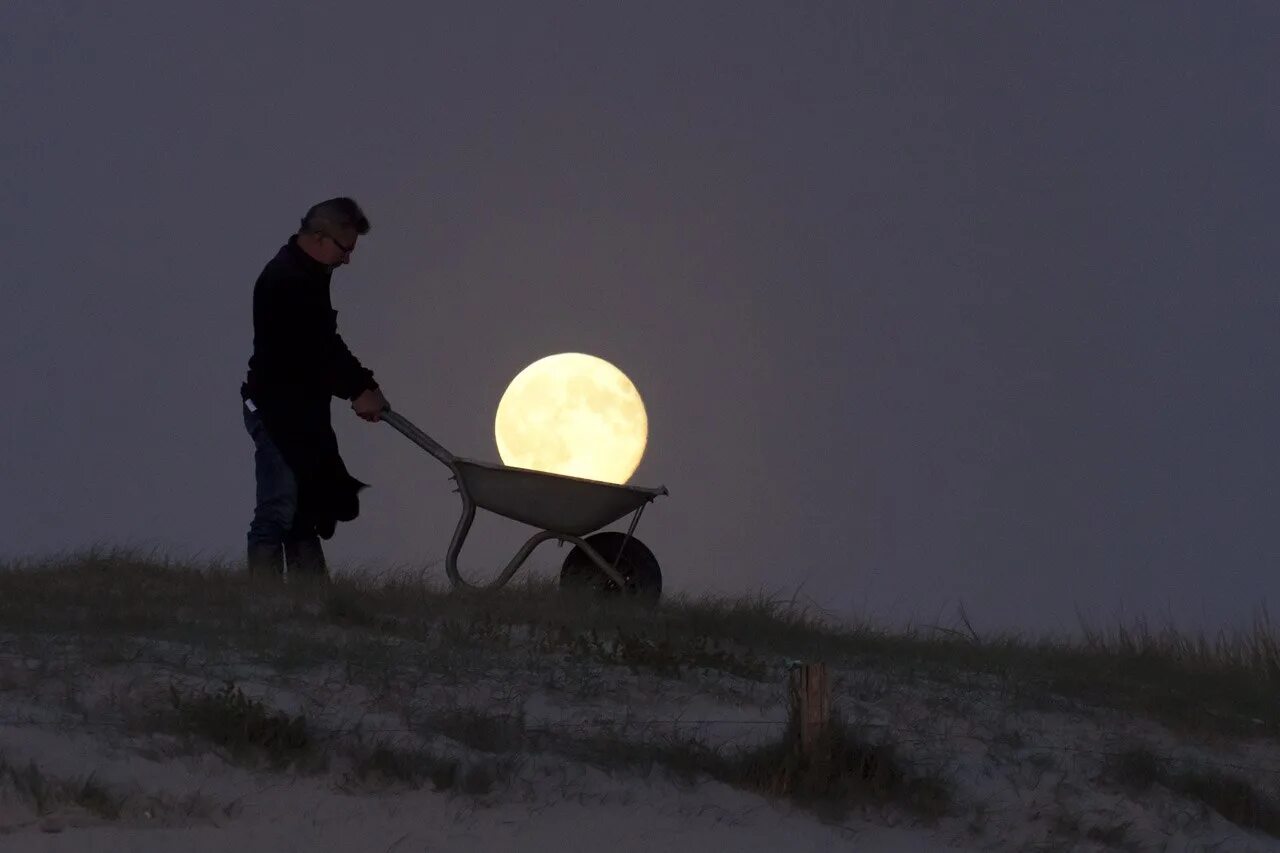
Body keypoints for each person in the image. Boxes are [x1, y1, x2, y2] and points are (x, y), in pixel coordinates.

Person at [240, 197, 389, 578]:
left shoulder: (309, 275)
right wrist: (359, 389)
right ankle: (263, 606)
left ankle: (312, 605)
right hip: (274, 411)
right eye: (346, 249)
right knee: (279, 506)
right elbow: (315, 349)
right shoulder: (285, 280)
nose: (347, 260)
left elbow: (326, 342)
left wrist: (363, 385)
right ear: (321, 237)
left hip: (301, 411)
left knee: (305, 507)